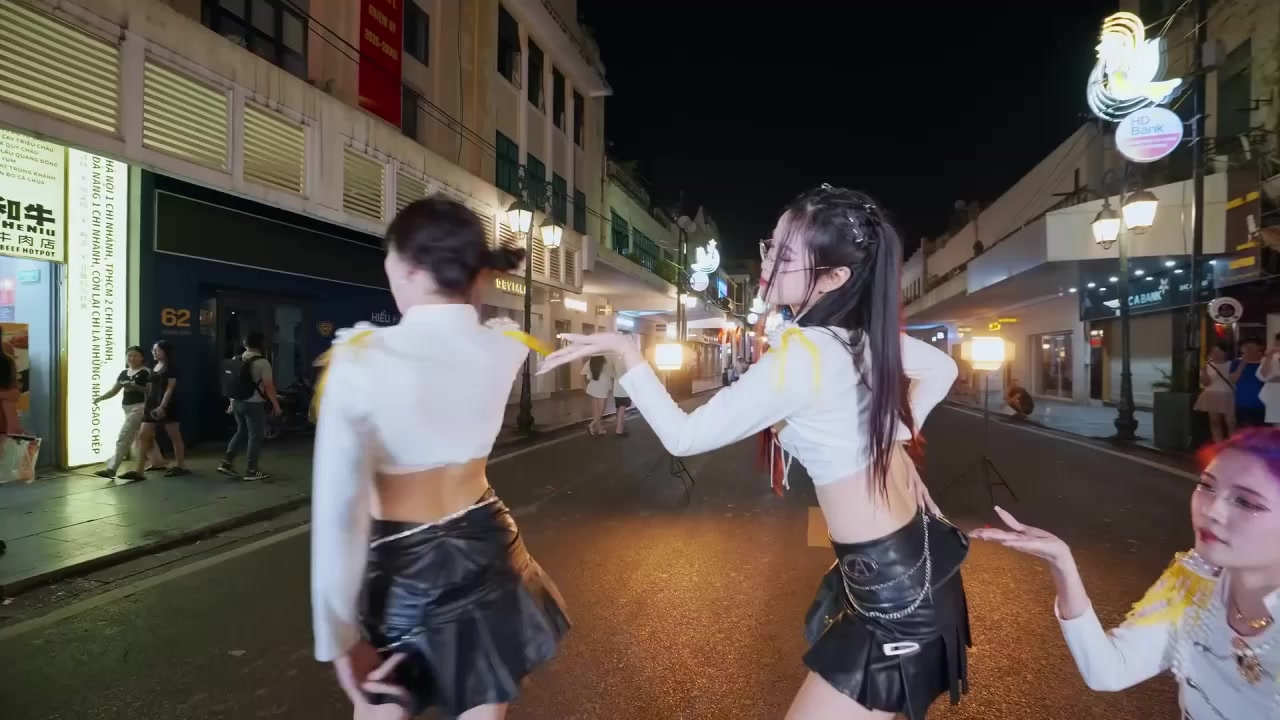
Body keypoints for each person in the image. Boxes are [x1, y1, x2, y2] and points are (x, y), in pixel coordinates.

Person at [537, 184, 966, 720]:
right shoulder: (854, 337)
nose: (767, 262)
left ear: (835, 277)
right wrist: (897, 439)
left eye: (786, 253)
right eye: (771, 245)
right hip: (914, 569)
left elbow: (684, 438)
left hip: (895, 598)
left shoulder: (806, 354)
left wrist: (629, 351)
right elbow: (941, 368)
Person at [310, 195, 569, 720]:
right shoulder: (504, 347)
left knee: (381, 708)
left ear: (409, 269)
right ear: (474, 273)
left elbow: (340, 511)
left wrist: (338, 636)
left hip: (403, 568)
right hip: (490, 546)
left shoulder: (361, 361)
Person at [972, 426, 1280, 717]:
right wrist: (1062, 563)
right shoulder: (1195, 582)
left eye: (1246, 502)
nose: (1212, 510)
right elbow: (1109, 669)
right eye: (1207, 486)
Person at [117, 341, 189, 482]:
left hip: (168, 405)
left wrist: (162, 406)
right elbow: (150, 389)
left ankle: (181, 465)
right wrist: (146, 405)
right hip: (151, 405)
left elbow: (169, 388)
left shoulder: (171, 368)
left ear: (165, 351)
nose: (154, 352)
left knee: (174, 435)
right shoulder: (154, 366)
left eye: (157, 350)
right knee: (143, 435)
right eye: (153, 350)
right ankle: (139, 471)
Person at [219, 331, 282, 481]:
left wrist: (231, 403)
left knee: (241, 431)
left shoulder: (236, 359)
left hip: (237, 402)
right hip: (254, 404)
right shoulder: (262, 363)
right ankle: (252, 470)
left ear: (245, 344)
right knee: (255, 436)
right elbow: (269, 386)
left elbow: (232, 384)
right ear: (262, 344)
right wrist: (276, 405)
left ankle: (227, 462)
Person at [92, 346, 155, 483]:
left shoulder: (146, 372)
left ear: (142, 357)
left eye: (136, 356)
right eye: (129, 355)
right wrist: (101, 398)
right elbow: (114, 390)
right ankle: (158, 461)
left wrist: (135, 387)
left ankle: (112, 468)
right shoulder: (124, 373)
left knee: (124, 435)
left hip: (139, 408)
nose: (132, 358)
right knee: (144, 437)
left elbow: (151, 392)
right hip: (127, 408)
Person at [1196, 343, 1237, 442]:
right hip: (1211, 394)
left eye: (1219, 351)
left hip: (1227, 394)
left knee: (1230, 421)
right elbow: (1205, 383)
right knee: (1214, 421)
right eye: (1213, 351)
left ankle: (1233, 444)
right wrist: (1204, 371)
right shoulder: (1207, 366)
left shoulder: (1232, 364)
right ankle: (1218, 444)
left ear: (1225, 353)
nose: (1216, 354)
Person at [1231, 338, 1267, 428]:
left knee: (1262, 431)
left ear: (1259, 348)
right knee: (1244, 431)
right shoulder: (1237, 362)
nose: (1248, 350)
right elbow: (1232, 380)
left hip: (1262, 404)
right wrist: (1243, 364)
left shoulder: (1265, 363)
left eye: (1251, 347)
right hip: (1242, 404)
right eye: (1246, 347)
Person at [582, 355, 614, 435]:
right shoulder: (606, 362)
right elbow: (612, 374)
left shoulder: (591, 361)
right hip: (602, 387)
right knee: (601, 409)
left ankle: (598, 429)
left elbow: (586, 375)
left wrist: (585, 385)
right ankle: (592, 424)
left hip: (593, 386)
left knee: (596, 410)